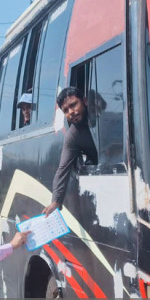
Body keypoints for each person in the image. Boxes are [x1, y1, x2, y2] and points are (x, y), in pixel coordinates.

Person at [42, 87, 98, 216]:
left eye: (73, 105)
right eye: (66, 110)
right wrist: (56, 201)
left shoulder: (102, 118)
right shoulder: (73, 135)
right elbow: (62, 169)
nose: (71, 112)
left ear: (84, 101)